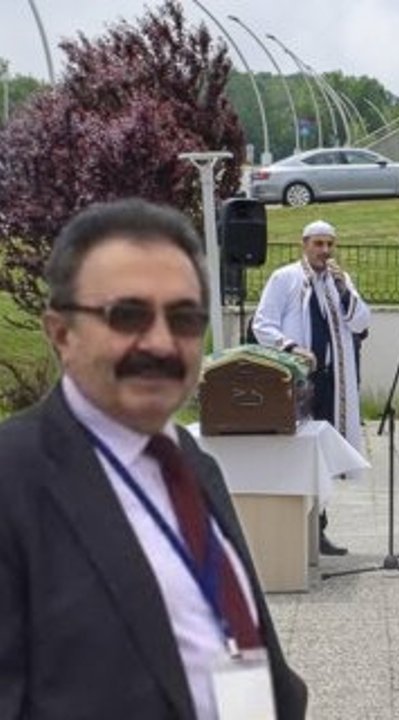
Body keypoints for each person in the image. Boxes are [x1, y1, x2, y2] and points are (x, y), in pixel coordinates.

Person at [0, 198, 307, 718]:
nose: (162, 343)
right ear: (61, 334)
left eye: (185, 318)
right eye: (128, 316)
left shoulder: (190, 462)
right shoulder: (13, 481)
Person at [252, 219, 371, 557]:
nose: (325, 251)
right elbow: (263, 322)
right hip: (298, 379)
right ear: (304, 244)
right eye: (318, 244)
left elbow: (361, 321)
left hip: (333, 381)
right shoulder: (285, 278)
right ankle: (296, 528)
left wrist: (344, 291)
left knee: (321, 453)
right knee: (297, 451)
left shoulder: (340, 281)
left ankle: (318, 528)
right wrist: (290, 347)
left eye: (330, 244)